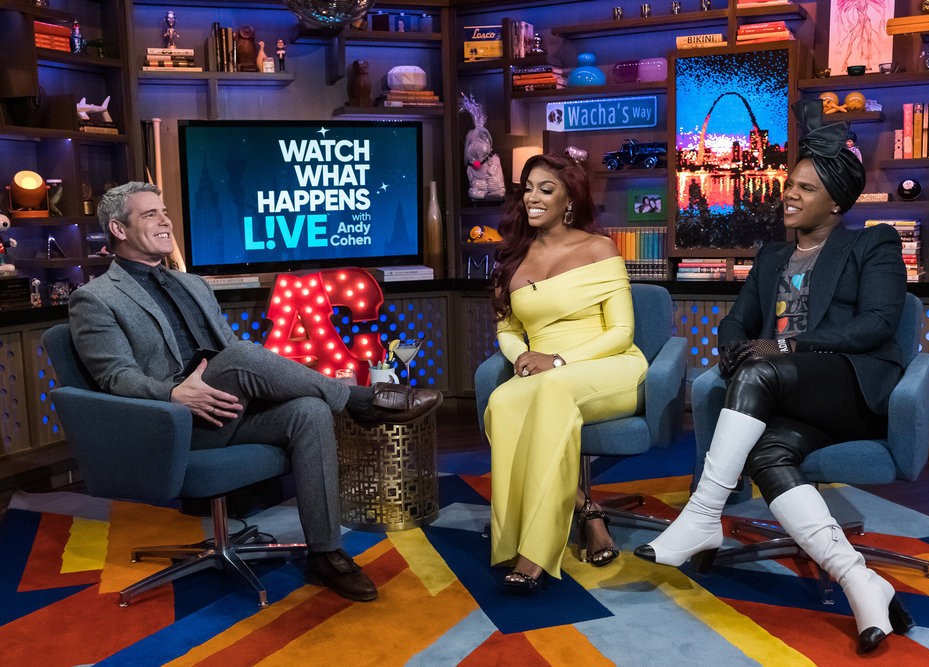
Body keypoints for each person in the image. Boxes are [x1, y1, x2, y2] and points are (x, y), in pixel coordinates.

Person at [68, 182, 442, 603]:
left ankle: (327, 553)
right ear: (118, 229)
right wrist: (173, 394)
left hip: (228, 409)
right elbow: (115, 376)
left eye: (165, 210)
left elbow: (226, 348)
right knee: (245, 354)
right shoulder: (94, 298)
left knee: (308, 410)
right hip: (173, 422)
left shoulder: (192, 283)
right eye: (151, 214)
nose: (166, 219)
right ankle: (359, 400)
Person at [635, 100, 914, 654]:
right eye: (790, 183)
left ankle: (703, 513)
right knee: (767, 456)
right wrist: (736, 348)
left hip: (848, 389)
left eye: (805, 189)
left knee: (762, 369)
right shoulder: (769, 257)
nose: (788, 193)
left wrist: (781, 345)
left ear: (836, 201)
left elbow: (877, 326)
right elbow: (735, 322)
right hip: (782, 394)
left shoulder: (871, 243)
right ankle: (862, 584)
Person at [484, 154, 648, 592]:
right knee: (501, 401)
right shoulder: (512, 256)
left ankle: (535, 555)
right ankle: (587, 513)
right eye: (528, 188)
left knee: (552, 389)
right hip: (542, 374)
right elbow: (507, 328)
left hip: (608, 366)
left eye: (545, 189)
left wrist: (556, 361)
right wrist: (521, 355)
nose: (532, 198)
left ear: (569, 198)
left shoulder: (598, 248)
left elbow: (621, 332)